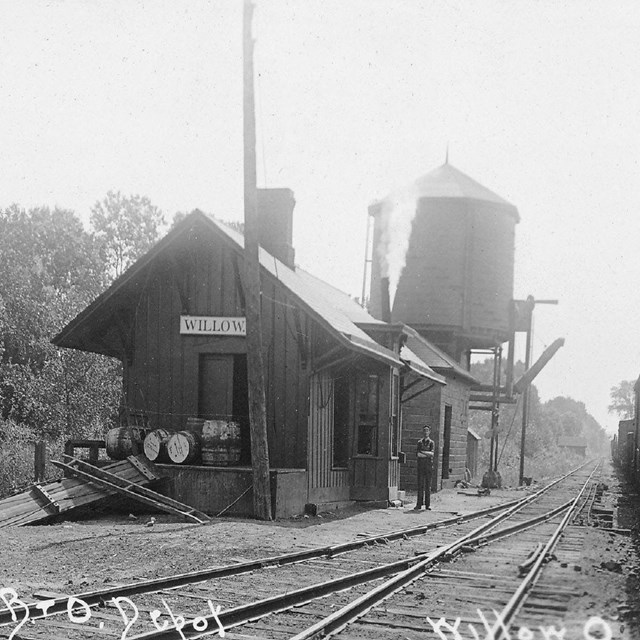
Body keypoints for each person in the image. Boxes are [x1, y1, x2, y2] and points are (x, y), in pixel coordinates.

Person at [414, 424, 435, 510]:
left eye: (427, 430)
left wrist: (423, 452)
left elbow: (432, 454)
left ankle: (427, 505)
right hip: (421, 466)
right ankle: (419, 504)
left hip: (428, 466)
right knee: (420, 485)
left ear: (429, 432)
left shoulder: (431, 443)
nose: (426, 432)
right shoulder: (419, 442)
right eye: (424, 430)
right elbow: (418, 454)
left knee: (428, 486)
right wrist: (427, 453)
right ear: (423, 432)